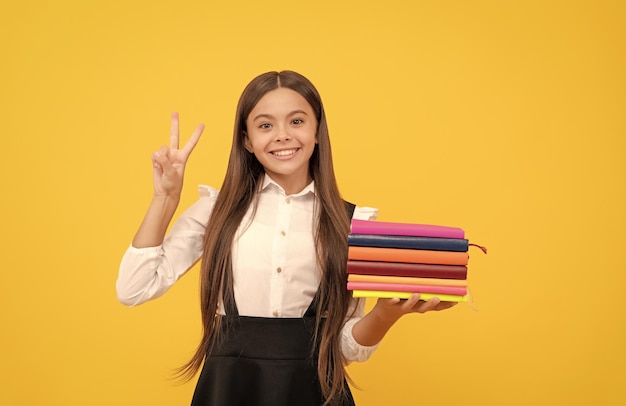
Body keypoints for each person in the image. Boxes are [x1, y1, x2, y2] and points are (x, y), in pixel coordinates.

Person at [117, 70, 457, 406]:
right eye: (265, 125)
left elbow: (346, 349)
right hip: (229, 390)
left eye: (297, 121)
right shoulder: (214, 211)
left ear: (318, 132)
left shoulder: (353, 224)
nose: (282, 135)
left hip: (315, 393)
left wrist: (386, 313)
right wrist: (164, 200)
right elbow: (134, 287)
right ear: (247, 140)